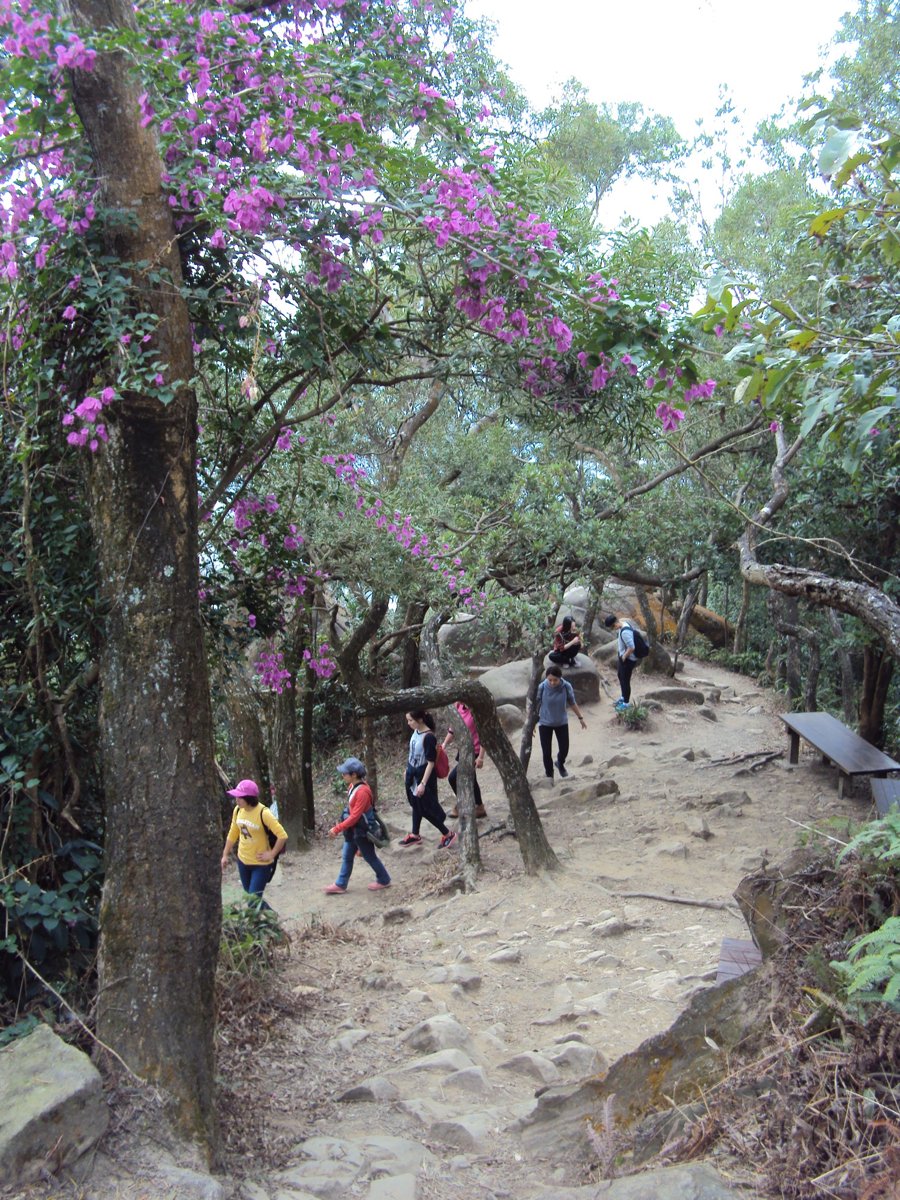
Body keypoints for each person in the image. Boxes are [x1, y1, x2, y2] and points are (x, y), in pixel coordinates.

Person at [323, 757, 391, 894]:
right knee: (347, 856)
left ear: (354, 775)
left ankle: (384, 879)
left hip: (361, 831)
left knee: (369, 856)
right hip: (352, 831)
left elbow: (355, 816)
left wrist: (337, 829)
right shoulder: (352, 787)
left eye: (345, 773)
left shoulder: (362, 792)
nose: (343, 775)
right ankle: (341, 884)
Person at [221, 778, 287, 909]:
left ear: (249, 798)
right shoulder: (238, 811)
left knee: (253, 901)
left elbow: (282, 835)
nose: (237, 800)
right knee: (250, 898)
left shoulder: (264, 813)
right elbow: (233, 833)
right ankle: (260, 924)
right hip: (243, 861)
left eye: (240, 797)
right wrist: (225, 855)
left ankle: (272, 919)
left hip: (260, 865)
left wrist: (272, 854)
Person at [401, 709, 456, 849]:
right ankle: (415, 834)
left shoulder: (429, 737)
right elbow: (413, 753)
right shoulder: (416, 731)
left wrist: (423, 784)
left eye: (410, 720)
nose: (408, 723)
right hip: (413, 774)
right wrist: (408, 770)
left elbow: (430, 762)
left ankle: (448, 833)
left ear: (420, 720)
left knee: (425, 808)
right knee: (416, 804)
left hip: (423, 776)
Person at [535, 664, 587, 780]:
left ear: (560, 678)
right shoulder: (542, 687)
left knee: (564, 748)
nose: (552, 683)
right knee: (546, 752)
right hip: (545, 723)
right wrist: (533, 724)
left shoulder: (566, 686)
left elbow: (572, 702)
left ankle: (560, 763)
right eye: (550, 680)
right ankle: (549, 774)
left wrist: (580, 718)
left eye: (555, 680)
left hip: (561, 722)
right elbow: (537, 704)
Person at [442, 702, 487, 820]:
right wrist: (444, 744)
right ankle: (479, 807)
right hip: (464, 749)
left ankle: (465, 804)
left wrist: (481, 757)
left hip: (474, 751)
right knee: (472, 778)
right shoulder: (458, 706)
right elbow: (453, 729)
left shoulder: (476, 711)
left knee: (453, 777)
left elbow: (484, 735)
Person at [605, 613, 638, 710]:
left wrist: (624, 656)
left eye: (612, 627)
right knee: (620, 676)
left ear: (615, 624)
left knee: (625, 680)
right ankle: (623, 697)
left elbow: (632, 647)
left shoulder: (625, 632)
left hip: (628, 659)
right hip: (624, 658)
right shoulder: (624, 624)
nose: (613, 629)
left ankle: (626, 704)